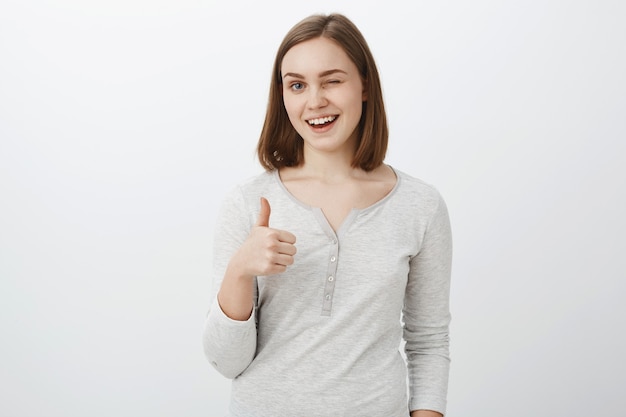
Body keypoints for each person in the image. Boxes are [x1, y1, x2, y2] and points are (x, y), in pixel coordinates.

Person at [203, 13, 452, 417]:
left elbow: (428, 341)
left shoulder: (420, 205)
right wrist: (239, 271)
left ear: (365, 85)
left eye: (332, 80)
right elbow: (225, 362)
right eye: (297, 85)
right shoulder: (248, 203)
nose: (314, 101)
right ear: (282, 95)